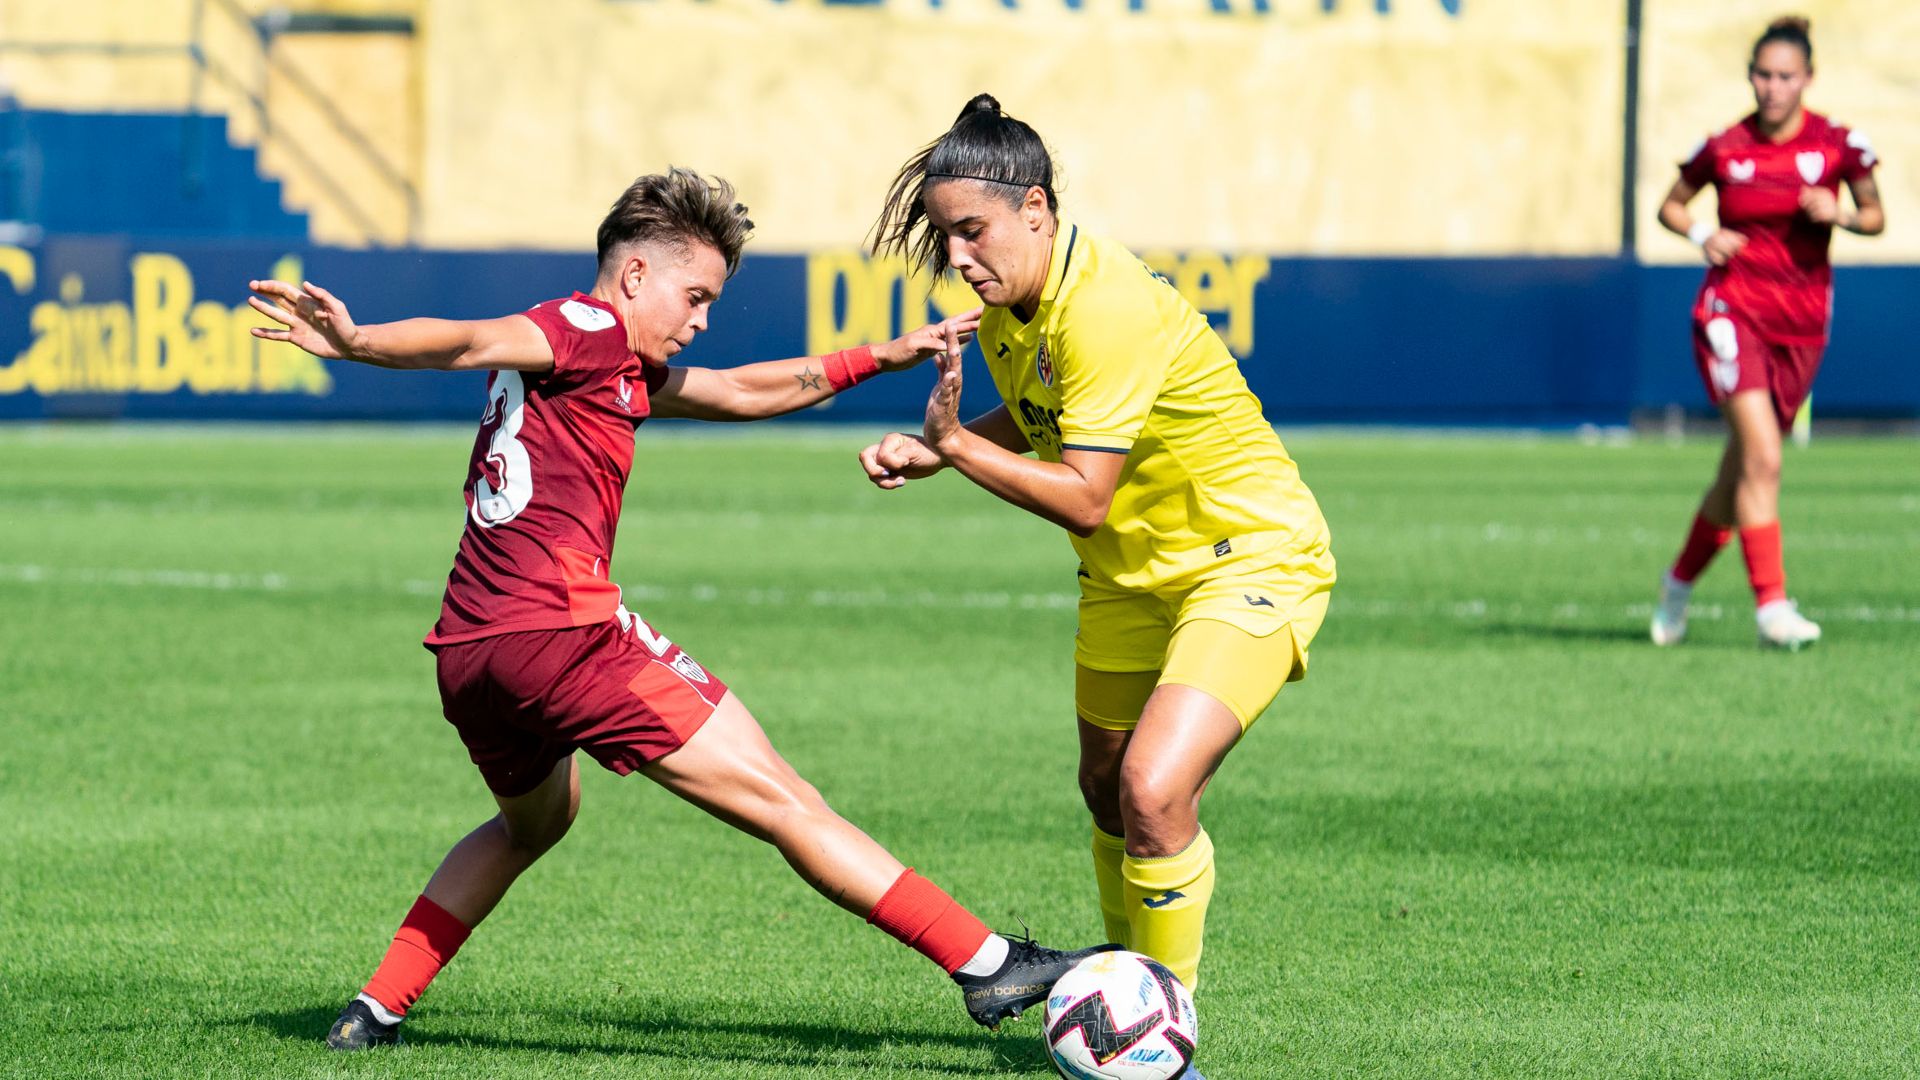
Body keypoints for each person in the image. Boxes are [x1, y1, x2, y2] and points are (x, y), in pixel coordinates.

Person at [246, 167, 1110, 1051]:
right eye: (693, 297)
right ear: (632, 278)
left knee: (534, 822)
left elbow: (735, 392)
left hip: (472, 652)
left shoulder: (609, 364)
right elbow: (471, 339)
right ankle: (987, 962)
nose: (699, 320)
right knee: (786, 799)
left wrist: (884, 355)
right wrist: (361, 342)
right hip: (565, 635)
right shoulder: (580, 326)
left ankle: (375, 1009)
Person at [858, 94, 1335, 1035]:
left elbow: (1083, 492)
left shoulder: (1104, 305)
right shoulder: (1011, 308)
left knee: (1155, 790)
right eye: (944, 235)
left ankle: (1161, 1026)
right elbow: (1049, 413)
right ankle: (1124, 982)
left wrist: (953, 447)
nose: (957, 256)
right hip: (1125, 577)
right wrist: (943, 445)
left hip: (1248, 559)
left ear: (1035, 209)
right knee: (1104, 790)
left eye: (972, 231)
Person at [1650, 15, 1883, 650]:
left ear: (1807, 78)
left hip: (1801, 324)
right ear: (1750, 76)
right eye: (1762, 74)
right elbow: (1672, 204)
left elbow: (1875, 214)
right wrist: (1703, 233)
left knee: (1740, 471)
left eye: (1785, 76)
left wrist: (1840, 214)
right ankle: (1772, 608)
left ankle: (1676, 587)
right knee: (1766, 458)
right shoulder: (1725, 148)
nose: (1772, 87)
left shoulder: (1837, 145)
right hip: (1731, 312)